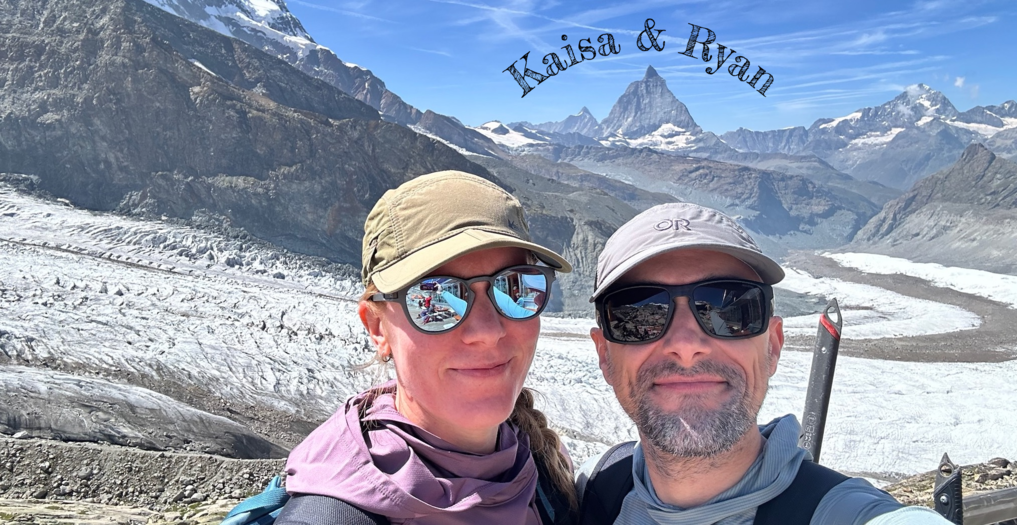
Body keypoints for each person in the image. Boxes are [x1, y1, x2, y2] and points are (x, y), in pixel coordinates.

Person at [576, 203, 950, 525]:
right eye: (639, 313)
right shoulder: (591, 488)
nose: (686, 346)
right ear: (604, 356)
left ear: (773, 346)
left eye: (730, 308)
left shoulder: (844, 514)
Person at [278, 171, 577, 524]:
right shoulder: (331, 517)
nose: (487, 331)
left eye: (515, 288)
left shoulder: (545, 464)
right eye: (435, 298)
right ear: (377, 328)